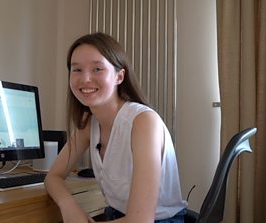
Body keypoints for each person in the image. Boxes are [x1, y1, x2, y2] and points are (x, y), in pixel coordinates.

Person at [44, 32, 187, 223]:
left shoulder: (143, 121)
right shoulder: (89, 123)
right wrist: (69, 206)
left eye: (97, 69)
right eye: (76, 69)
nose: (85, 79)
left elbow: (141, 220)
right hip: (115, 215)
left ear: (119, 76)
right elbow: (53, 176)